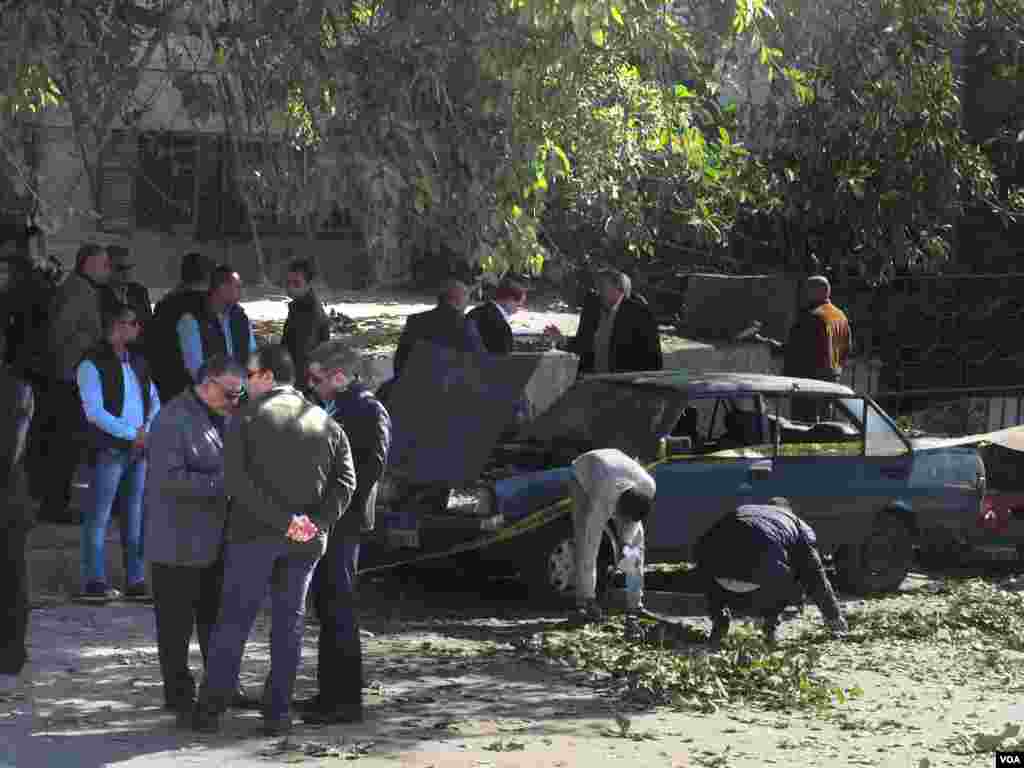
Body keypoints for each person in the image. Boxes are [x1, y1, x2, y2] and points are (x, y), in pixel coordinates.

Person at [192, 345, 356, 736]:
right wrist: (312, 524)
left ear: (266, 376)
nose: (246, 383)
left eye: (249, 375)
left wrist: (286, 522)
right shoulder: (326, 422)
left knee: (234, 621)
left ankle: (211, 709)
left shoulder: (245, 419)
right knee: (289, 625)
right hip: (305, 542)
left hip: (255, 536)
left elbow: (237, 483)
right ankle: (278, 712)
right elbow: (346, 482)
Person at [144, 354, 246, 721]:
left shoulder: (225, 414)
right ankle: (179, 696)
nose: (236, 401)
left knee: (214, 620)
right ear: (208, 383)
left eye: (240, 394)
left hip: (217, 540)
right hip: (177, 543)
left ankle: (218, 688)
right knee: (175, 629)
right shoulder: (172, 418)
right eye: (231, 393)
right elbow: (168, 480)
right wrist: (226, 485)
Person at [297, 341, 391, 725]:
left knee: (340, 605)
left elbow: (371, 467)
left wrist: (335, 505)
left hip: (344, 520)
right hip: (325, 518)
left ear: (339, 376)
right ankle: (329, 692)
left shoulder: (367, 408)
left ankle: (346, 700)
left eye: (317, 379)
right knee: (326, 603)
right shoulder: (329, 404)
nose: (312, 385)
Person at [76, 301, 161, 603]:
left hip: (138, 450)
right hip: (109, 449)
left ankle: (135, 579)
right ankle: (94, 580)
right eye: (132, 322)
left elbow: (153, 398)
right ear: (116, 326)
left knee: (134, 517)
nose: (138, 327)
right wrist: (132, 434)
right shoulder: (90, 364)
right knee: (98, 516)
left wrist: (147, 431)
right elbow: (94, 412)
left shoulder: (138, 361)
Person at [31, 242, 112, 524]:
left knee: (65, 444)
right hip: (68, 379)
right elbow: (60, 333)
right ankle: (55, 505)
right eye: (104, 265)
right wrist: (87, 352)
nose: (108, 270)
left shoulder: (81, 289)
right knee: (63, 445)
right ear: (88, 264)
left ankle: (55, 501)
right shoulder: (78, 290)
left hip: (70, 377)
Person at [694, 497, 848, 647]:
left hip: (715, 573)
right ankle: (769, 628)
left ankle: (719, 623)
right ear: (788, 510)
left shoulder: (745, 509)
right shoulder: (797, 523)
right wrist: (833, 616)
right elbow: (816, 577)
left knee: (714, 562)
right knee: (800, 572)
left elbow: (703, 545)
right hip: (758, 580)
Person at [570, 449, 656, 624]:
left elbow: (632, 545)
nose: (624, 525)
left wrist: (626, 548)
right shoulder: (600, 499)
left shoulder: (648, 487)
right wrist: (589, 596)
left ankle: (635, 605)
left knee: (634, 551)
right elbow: (589, 546)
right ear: (617, 511)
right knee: (584, 540)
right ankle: (585, 601)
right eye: (623, 521)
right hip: (583, 472)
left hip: (615, 467)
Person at [543, 268, 662, 375]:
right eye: (597, 287)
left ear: (618, 289)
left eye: (602, 286)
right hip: (592, 380)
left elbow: (653, 359)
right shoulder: (592, 310)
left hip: (624, 383)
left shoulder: (639, 314)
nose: (598, 291)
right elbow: (582, 344)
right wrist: (561, 339)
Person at [0, 332, 35, 695]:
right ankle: (11, 654)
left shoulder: (16, 389)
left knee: (11, 580)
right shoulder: (19, 388)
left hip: (7, 497)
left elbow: (11, 449)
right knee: (12, 581)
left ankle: (11, 654)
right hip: (10, 497)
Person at [758, 275, 851, 383]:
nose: (803, 295)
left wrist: (768, 343)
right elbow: (846, 349)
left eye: (806, 290)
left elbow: (796, 351)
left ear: (814, 292)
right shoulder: (840, 316)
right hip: (832, 381)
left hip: (809, 384)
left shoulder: (812, 316)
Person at [149, 252, 214, 401]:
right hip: (203, 387)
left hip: (168, 382)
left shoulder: (164, 305)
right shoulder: (211, 307)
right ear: (208, 276)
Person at [176, 265, 257, 381]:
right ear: (222, 288)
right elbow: (195, 368)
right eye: (238, 287)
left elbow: (253, 357)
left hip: (240, 388)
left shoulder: (240, 317)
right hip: (210, 391)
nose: (241, 291)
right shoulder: (191, 320)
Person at [391, 278, 485, 377]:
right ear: (457, 299)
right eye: (466, 295)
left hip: (415, 382)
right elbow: (481, 361)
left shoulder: (415, 320)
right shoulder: (466, 325)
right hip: (449, 386)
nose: (468, 300)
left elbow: (400, 359)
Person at [281, 258, 331, 384]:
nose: (290, 288)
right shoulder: (298, 305)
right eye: (288, 283)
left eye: (296, 284)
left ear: (309, 284)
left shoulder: (310, 312)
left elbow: (303, 355)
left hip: (304, 381)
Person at [466, 277, 528, 355]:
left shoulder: (475, 312)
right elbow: (505, 359)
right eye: (518, 305)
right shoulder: (501, 326)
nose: (519, 309)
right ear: (509, 300)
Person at [107, 245, 153, 344]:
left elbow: (149, 326)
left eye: (129, 267)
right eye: (120, 268)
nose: (126, 272)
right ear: (108, 268)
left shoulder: (140, 292)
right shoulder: (99, 294)